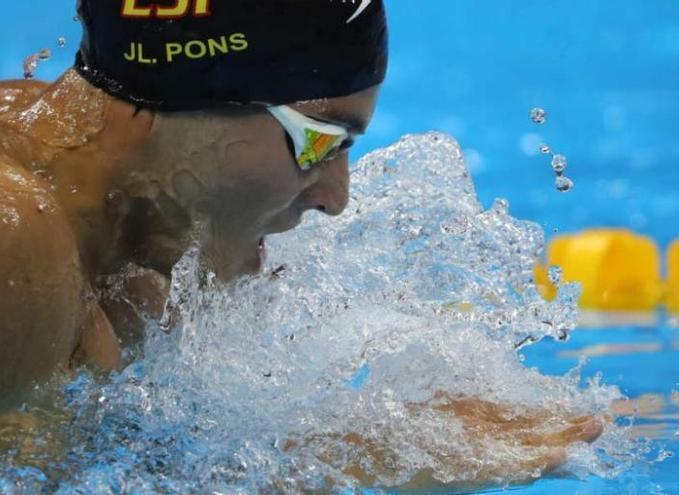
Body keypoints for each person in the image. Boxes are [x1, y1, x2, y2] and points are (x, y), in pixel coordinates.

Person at [0, 0, 600, 487]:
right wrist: (355, 470)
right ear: (166, 98)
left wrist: (340, 449)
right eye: (318, 142)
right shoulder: (16, 241)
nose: (335, 198)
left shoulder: (135, 241)